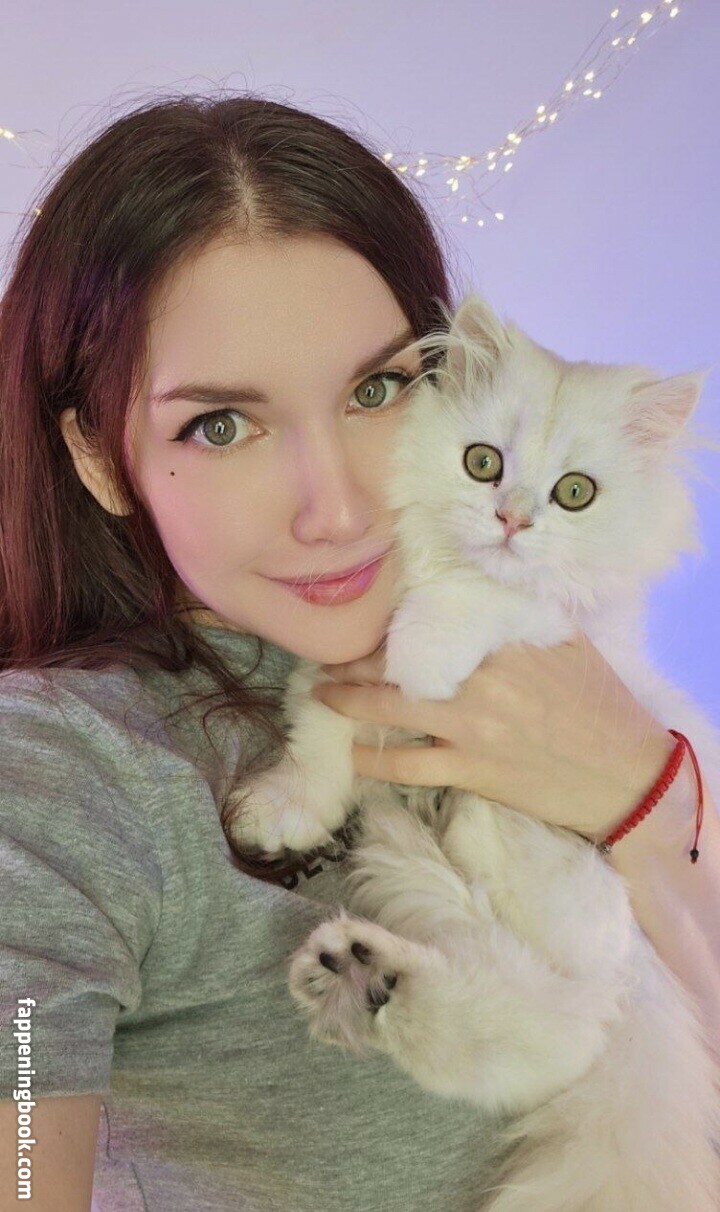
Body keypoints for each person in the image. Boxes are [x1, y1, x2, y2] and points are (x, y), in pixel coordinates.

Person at [0, 92, 717, 1212]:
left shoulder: (581, 679)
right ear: (98, 457)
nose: (333, 510)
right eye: (221, 425)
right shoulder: (61, 770)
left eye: (377, 390)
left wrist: (650, 804)